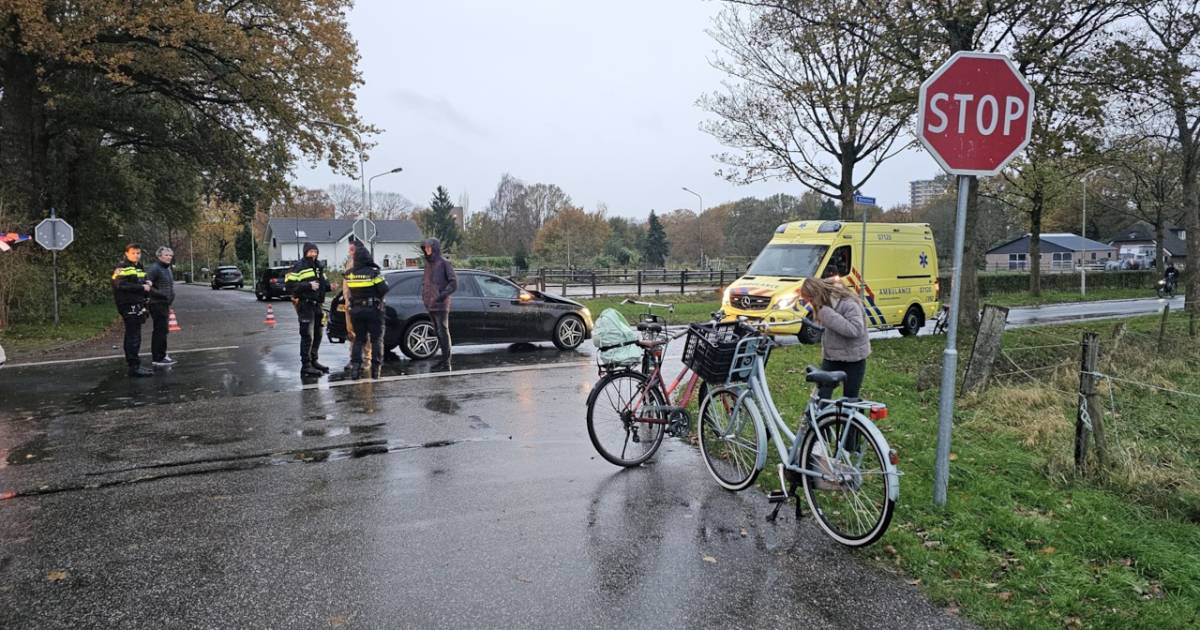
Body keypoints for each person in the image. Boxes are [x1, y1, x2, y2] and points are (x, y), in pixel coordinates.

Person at [799, 276, 871, 400]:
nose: (810, 303)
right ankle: (820, 419)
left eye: (810, 299)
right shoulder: (826, 304)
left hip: (854, 359)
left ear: (817, 294)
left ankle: (849, 419)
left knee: (850, 399)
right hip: (832, 357)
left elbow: (855, 330)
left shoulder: (848, 303)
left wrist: (828, 315)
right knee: (822, 397)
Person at [286, 242, 332, 377]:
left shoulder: (319, 267)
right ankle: (306, 366)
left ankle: (314, 361)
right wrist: (308, 285)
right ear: (305, 252)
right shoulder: (299, 266)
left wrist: (330, 287)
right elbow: (290, 285)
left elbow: (323, 284)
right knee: (307, 335)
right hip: (305, 305)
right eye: (310, 251)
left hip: (317, 305)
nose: (313, 254)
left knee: (318, 334)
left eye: (315, 251)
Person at [345, 243, 389, 379]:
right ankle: (376, 370)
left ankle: (355, 369)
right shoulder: (373, 273)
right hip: (373, 310)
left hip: (356, 311)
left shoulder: (349, 275)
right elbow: (384, 289)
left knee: (358, 340)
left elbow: (350, 291)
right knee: (376, 340)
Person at [112, 243, 153, 377]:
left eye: (138, 253)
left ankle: (136, 364)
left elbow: (142, 279)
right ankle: (133, 367)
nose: (136, 255)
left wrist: (147, 283)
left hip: (138, 303)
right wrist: (141, 287)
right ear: (126, 253)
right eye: (133, 253)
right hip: (127, 304)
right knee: (132, 336)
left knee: (136, 335)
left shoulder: (139, 266)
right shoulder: (121, 267)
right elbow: (119, 284)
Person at [421, 238, 457, 365]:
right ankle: (443, 359)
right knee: (437, 332)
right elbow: (425, 283)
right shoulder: (427, 264)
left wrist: (441, 296)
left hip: (441, 305)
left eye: (429, 247)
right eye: (425, 248)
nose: (427, 250)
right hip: (430, 304)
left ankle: (446, 361)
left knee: (443, 331)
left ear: (434, 248)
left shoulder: (444, 263)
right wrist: (425, 298)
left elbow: (453, 283)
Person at [146, 246, 177, 367]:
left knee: (164, 330)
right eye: (166, 255)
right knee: (160, 330)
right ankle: (157, 357)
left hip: (165, 304)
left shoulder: (167, 269)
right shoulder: (155, 268)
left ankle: (162, 354)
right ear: (159, 256)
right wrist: (162, 295)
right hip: (157, 304)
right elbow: (148, 286)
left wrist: (170, 296)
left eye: (170, 255)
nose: (169, 257)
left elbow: (169, 286)